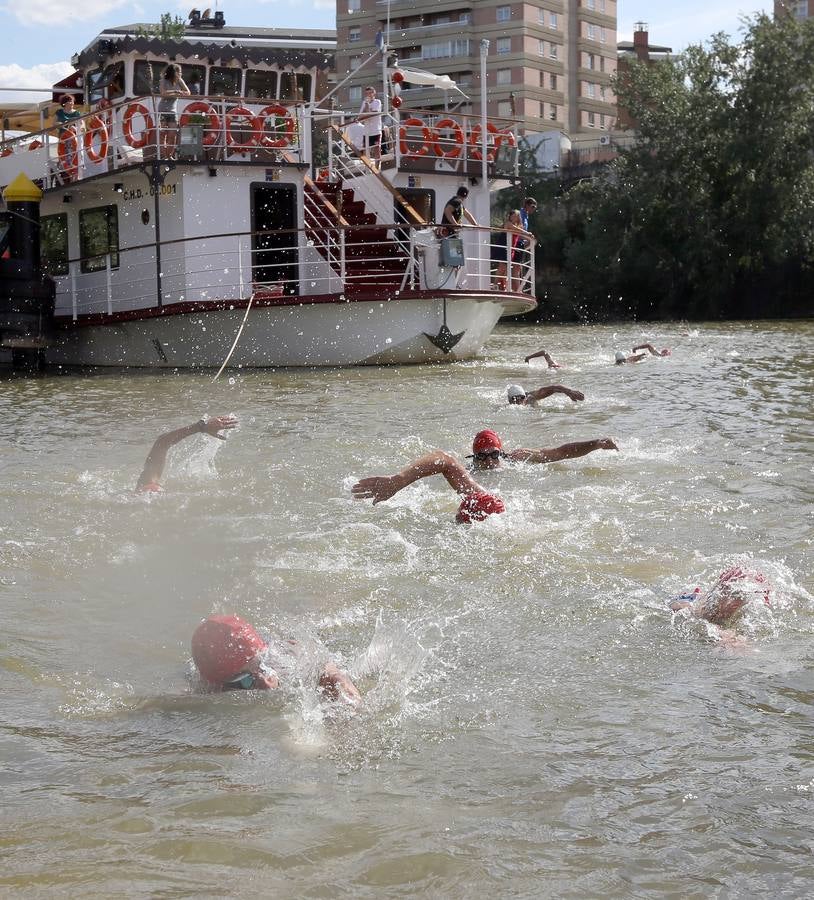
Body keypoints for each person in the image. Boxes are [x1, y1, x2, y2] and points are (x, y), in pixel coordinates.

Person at [191, 614, 361, 701]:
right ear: (214, 687)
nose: (267, 683)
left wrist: (337, 681)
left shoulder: (287, 655)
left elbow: (325, 668)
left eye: (264, 664)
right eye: (245, 680)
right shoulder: (207, 693)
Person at [352, 450, 505, 524]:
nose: (489, 462)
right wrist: (398, 481)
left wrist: (399, 481)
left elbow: (445, 461)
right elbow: (445, 461)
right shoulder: (497, 507)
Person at [669, 567, 772, 645]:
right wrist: (721, 634)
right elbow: (677, 607)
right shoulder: (691, 606)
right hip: (687, 599)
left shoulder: (750, 610)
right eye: (736, 596)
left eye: (742, 599)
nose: (735, 605)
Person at [135, 415, 238, 493]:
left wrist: (201, 427)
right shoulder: (145, 488)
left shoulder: (145, 486)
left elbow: (162, 442)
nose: (151, 494)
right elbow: (162, 442)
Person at [466, 428, 618, 470]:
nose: (489, 461)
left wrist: (596, 443)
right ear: (474, 456)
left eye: (494, 454)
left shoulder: (517, 457)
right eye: (481, 456)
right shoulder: (469, 470)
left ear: (501, 452)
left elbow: (561, 453)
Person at [158, 63, 191, 157]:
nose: (181, 73)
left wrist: (176, 92)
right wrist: (176, 92)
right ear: (173, 72)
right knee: (163, 134)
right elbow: (163, 93)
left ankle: (169, 156)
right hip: (162, 110)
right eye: (179, 72)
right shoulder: (163, 81)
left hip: (173, 111)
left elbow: (188, 92)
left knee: (173, 134)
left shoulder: (180, 80)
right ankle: (164, 156)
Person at [493, 210, 530, 291]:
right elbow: (518, 230)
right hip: (504, 246)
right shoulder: (508, 223)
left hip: (510, 248)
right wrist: (527, 234)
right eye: (513, 216)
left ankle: (501, 286)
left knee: (505, 267)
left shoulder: (518, 226)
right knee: (503, 266)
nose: (514, 218)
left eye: (516, 216)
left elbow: (520, 234)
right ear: (509, 217)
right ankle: (495, 285)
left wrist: (529, 238)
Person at [355, 85, 382, 169]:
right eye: (367, 93)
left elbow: (369, 114)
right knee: (365, 151)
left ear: (374, 93)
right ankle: (368, 168)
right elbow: (360, 116)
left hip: (376, 131)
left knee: (376, 150)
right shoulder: (364, 102)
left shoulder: (377, 102)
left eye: (370, 93)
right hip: (366, 132)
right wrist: (367, 110)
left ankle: (377, 168)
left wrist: (367, 109)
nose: (369, 95)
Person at [506, 384, 584, 406]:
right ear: (509, 400)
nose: (519, 401)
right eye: (515, 398)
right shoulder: (507, 407)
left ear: (525, 397)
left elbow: (554, 388)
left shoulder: (530, 398)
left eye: (522, 397)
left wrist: (568, 391)